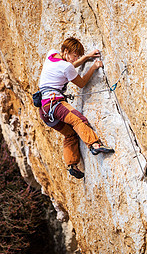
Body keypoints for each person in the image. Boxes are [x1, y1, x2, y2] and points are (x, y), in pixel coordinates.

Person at [38, 37, 114, 179]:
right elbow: (81, 82)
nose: (75, 59)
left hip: (44, 111)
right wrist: (94, 66)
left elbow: (68, 67)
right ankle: (94, 145)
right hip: (55, 104)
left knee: (70, 134)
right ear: (66, 51)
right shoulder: (66, 67)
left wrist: (85, 58)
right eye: (74, 55)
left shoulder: (51, 54)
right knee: (78, 120)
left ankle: (72, 164)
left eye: (77, 56)